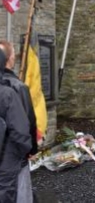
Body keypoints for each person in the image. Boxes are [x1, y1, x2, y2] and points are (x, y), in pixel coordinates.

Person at [0, 40, 38, 203]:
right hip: (12, 156)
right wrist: (30, 149)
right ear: (10, 58)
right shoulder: (15, 88)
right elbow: (26, 123)